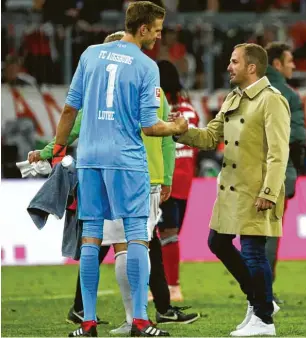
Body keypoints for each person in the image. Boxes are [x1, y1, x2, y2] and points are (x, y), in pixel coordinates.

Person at [52, 2, 188, 336]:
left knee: (91, 239)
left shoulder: (90, 54)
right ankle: (140, 320)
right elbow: (149, 126)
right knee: (138, 239)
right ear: (142, 28)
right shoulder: (146, 66)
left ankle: (87, 323)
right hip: (127, 162)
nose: (158, 36)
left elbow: (70, 109)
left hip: (90, 159)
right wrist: (178, 127)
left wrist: (57, 148)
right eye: (156, 30)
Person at [171, 43, 290, 336]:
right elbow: (212, 137)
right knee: (217, 243)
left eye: (234, 61)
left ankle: (264, 319)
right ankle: (259, 300)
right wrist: (182, 130)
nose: (229, 66)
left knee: (253, 252)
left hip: (256, 189)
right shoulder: (233, 98)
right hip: (230, 189)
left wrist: (269, 192)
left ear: (252, 67)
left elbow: (279, 153)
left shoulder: (271, 100)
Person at [264, 42, 306, 304]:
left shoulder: (247, 90)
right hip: (278, 173)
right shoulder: (289, 95)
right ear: (277, 64)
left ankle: (255, 286)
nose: (294, 66)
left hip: (246, 171)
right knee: (269, 232)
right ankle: (264, 291)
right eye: (290, 61)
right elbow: (298, 137)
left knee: (249, 234)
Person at [156, 60, 200, 303]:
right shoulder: (190, 109)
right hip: (186, 179)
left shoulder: (156, 108)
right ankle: (169, 285)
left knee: (163, 233)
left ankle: (170, 287)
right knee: (171, 233)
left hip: (164, 177)